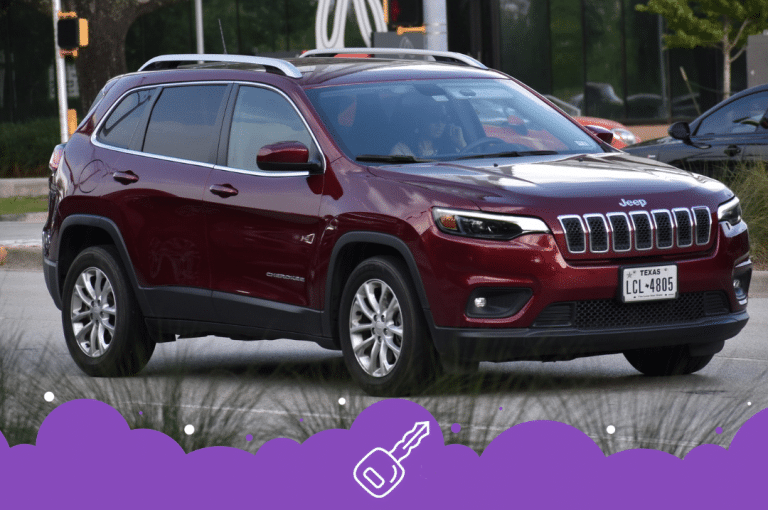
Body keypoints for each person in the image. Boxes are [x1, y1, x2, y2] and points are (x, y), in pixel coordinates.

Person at [390, 99, 466, 157]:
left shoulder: (452, 147)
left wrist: (461, 143)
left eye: (444, 119)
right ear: (421, 121)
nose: (440, 124)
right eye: (434, 118)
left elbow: (469, 166)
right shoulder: (402, 150)